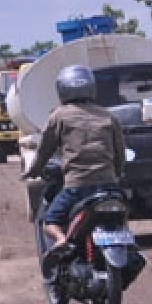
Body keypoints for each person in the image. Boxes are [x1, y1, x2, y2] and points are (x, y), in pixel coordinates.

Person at [21, 65, 126, 268]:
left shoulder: (59, 116)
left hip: (77, 187)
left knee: (49, 221)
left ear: (62, 89)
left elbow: (44, 150)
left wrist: (32, 171)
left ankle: (61, 240)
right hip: (109, 186)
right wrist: (118, 173)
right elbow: (120, 152)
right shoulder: (108, 116)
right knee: (119, 216)